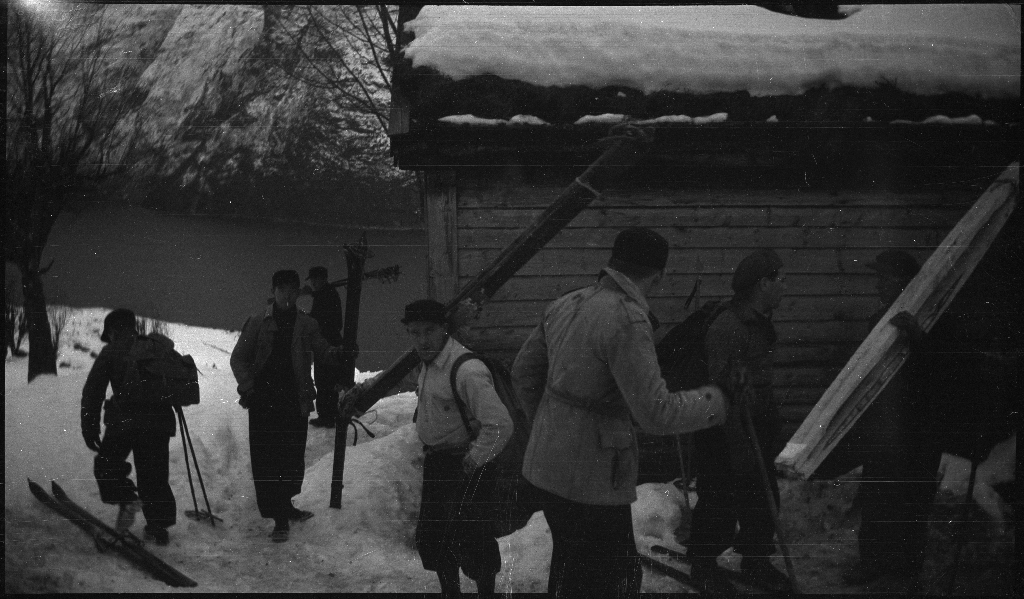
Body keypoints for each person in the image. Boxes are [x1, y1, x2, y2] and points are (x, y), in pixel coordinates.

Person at [511, 227, 729, 598]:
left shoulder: (567, 302)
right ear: (657, 275)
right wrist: (714, 402)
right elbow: (656, 413)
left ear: (613, 262)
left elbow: (523, 374)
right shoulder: (627, 319)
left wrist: (552, 427)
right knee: (615, 580)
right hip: (593, 477)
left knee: (570, 570)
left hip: (546, 468)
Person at [685, 248, 790, 594]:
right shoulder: (729, 325)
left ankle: (756, 561)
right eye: (780, 280)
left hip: (756, 425)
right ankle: (702, 564)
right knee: (720, 498)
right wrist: (738, 443)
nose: (783, 287)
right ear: (763, 283)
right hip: (725, 429)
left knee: (762, 497)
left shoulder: (759, 320)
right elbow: (721, 389)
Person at [399, 299, 513, 598]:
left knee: (474, 541)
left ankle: (486, 594)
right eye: (414, 332)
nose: (421, 339)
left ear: (444, 329)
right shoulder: (428, 363)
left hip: (466, 465)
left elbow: (500, 424)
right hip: (438, 463)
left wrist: (475, 459)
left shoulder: (467, 370)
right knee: (435, 539)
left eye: (428, 330)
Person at [230, 269, 352, 542]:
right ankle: (279, 519)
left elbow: (323, 351)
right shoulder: (257, 322)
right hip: (264, 402)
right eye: (282, 289)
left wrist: (339, 353)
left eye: (292, 290)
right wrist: (250, 388)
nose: (287, 295)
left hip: (294, 400)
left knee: (292, 458)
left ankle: (286, 505)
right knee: (268, 461)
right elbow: (238, 359)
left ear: (298, 293)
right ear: (273, 291)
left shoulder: (307, 324)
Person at [81, 308, 176, 545]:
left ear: (112, 331)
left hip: (125, 422)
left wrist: (89, 426)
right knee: (154, 476)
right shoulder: (156, 348)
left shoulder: (111, 351)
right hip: (159, 422)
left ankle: (126, 499)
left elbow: (93, 391)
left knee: (107, 464)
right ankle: (158, 527)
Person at [305, 266, 344, 428]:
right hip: (328, 343)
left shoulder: (325, 295)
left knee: (325, 381)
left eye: (315, 279)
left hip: (327, 344)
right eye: (312, 279)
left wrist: (306, 319)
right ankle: (328, 415)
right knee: (325, 380)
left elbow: (320, 320)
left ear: (323, 278)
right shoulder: (326, 293)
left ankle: (327, 416)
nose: (313, 282)